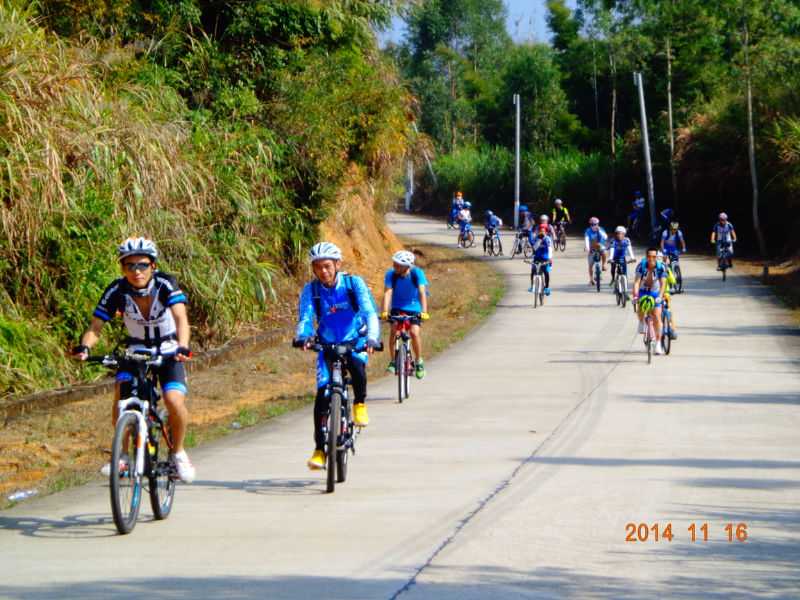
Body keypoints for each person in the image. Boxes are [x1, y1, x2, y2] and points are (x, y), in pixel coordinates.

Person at [72, 237, 195, 483]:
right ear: (122, 268)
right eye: (130, 266)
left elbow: (181, 319)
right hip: (135, 351)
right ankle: (122, 456)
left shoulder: (165, 284)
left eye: (142, 265)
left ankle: (178, 453)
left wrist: (183, 346)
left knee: (173, 401)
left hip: (169, 351)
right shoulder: (117, 290)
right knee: (122, 398)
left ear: (153, 266)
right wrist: (85, 346)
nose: (136, 271)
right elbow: (96, 326)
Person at [295, 242, 380, 470]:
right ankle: (319, 450)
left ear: (337, 265)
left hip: (355, 340)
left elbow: (369, 312)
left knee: (357, 368)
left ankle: (359, 404)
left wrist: (372, 338)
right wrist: (304, 337)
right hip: (326, 344)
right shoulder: (311, 290)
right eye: (318, 267)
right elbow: (305, 317)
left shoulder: (353, 284)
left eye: (327, 266)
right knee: (322, 395)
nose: (323, 271)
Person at [380, 250, 430, 379]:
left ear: (407, 266)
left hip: (414, 308)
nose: (394, 266)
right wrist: (385, 311)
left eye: (398, 265)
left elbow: (422, 292)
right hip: (397, 307)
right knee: (394, 331)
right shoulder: (391, 274)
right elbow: (388, 293)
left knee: (414, 332)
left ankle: (418, 361)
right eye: (394, 263)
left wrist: (424, 312)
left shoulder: (417, 273)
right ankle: (393, 360)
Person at [632, 248, 668, 355]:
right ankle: (641, 321)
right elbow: (637, 282)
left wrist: (660, 296)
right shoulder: (641, 266)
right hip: (643, 291)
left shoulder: (661, 267)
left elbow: (663, 284)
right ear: (646, 257)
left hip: (655, 292)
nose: (651, 259)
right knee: (640, 307)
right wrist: (635, 296)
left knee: (657, 316)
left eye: (654, 256)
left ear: (656, 257)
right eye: (649, 256)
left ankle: (658, 344)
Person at [528, 224, 553, 295]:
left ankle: (547, 287)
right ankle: (532, 286)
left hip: (545, 258)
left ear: (546, 232)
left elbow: (550, 249)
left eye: (543, 231)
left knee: (546, 272)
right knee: (533, 271)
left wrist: (550, 258)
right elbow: (533, 246)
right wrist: (530, 233)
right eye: (540, 231)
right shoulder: (537, 238)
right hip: (537, 258)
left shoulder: (547, 239)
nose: (542, 232)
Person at [584, 217, 608, 285]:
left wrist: (599, 230)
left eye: (595, 224)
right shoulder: (588, 231)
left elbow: (605, 237)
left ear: (598, 224)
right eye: (592, 224)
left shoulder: (601, 229)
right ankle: (591, 279)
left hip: (600, 246)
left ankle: (604, 264)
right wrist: (587, 248)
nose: (593, 226)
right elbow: (586, 239)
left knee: (604, 251)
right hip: (592, 248)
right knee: (590, 265)